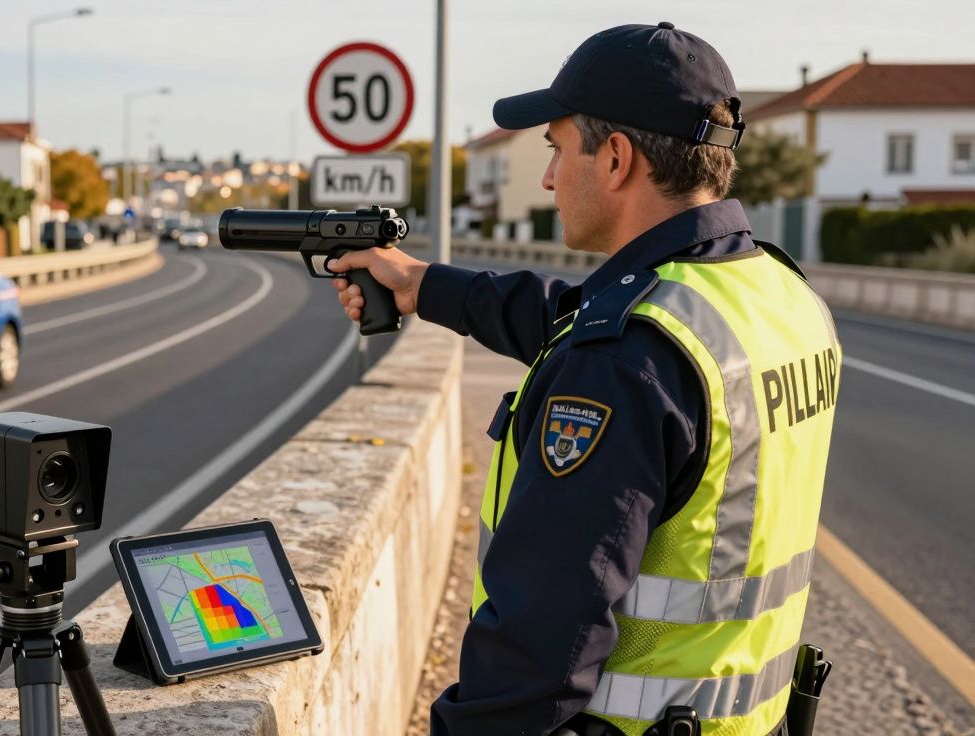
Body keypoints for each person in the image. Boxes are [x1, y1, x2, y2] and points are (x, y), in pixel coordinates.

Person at [329, 22, 842, 736]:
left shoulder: (623, 363)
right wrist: (425, 284)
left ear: (617, 159)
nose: (548, 177)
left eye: (556, 149)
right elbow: (579, 318)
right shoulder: (779, 295)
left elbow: (536, 655)